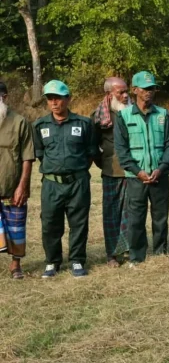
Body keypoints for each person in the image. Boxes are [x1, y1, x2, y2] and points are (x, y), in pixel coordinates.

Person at [33, 80, 98, 278]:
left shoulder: (84, 124)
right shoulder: (39, 125)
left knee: (78, 222)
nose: (54, 102)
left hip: (78, 182)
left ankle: (77, 260)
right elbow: (40, 153)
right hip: (51, 184)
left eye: (58, 98)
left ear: (68, 99)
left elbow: (91, 152)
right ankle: (52, 262)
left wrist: (74, 170)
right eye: (50, 99)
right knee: (50, 223)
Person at [114, 71, 169, 266]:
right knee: (136, 219)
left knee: (160, 218)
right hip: (136, 178)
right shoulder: (123, 116)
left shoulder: (163, 114)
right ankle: (137, 256)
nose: (149, 92)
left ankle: (160, 254)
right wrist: (138, 172)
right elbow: (122, 150)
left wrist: (161, 168)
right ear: (135, 90)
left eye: (152, 89)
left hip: (160, 176)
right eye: (145, 89)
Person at [92, 77, 132, 267]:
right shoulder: (100, 115)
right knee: (111, 214)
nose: (125, 96)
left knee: (131, 212)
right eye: (120, 92)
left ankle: (129, 250)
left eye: (126, 91)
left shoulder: (135, 111)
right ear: (109, 94)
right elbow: (94, 146)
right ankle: (112, 255)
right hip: (111, 172)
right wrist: (105, 163)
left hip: (134, 172)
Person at [0, 82, 34, 279]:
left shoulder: (20, 122)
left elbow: (27, 157)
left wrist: (23, 185)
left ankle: (15, 265)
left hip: (12, 186)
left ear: (4, 96)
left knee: (16, 227)